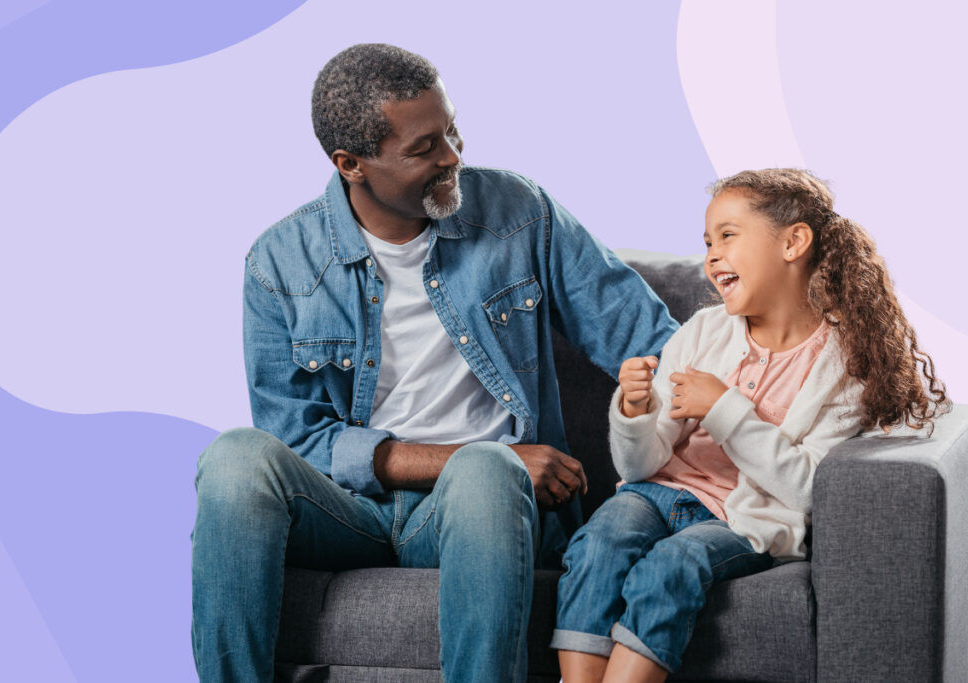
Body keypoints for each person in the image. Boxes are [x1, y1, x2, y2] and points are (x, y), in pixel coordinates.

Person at [190, 43, 678, 682]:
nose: (452, 156)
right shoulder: (279, 262)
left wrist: (762, 388)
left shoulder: (517, 212)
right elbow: (299, 439)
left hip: (479, 504)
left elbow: (645, 339)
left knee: (482, 471)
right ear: (351, 164)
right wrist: (458, 458)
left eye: (451, 130)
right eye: (424, 148)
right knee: (234, 458)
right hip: (347, 510)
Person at [551, 168, 949, 682]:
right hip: (657, 492)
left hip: (745, 520)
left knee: (672, 568)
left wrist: (723, 408)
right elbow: (639, 462)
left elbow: (804, 489)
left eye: (728, 236)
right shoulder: (703, 331)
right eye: (707, 242)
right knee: (600, 541)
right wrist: (633, 412)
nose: (712, 254)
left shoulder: (842, 365)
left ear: (793, 243)